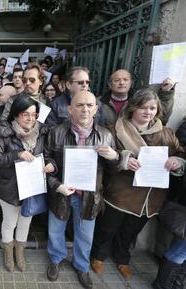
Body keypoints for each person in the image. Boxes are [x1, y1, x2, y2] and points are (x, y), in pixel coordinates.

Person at [90, 89, 185, 279]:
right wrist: (124, 158)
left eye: (152, 108)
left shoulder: (166, 134)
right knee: (108, 227)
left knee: (130, 231)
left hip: (150, 198)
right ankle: (98, 256)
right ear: (133, 108)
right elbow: (108, 154)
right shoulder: (116, 129)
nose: (147, 112)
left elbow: (180, 152)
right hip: (121, 193)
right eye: (143, 107)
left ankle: (122, 258)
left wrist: (177, 161)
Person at [45, 90, 119, 289]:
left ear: (95, 109)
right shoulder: (56, 132)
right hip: (62, 192)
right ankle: (56, 259)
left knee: (85, 234)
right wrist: (56, 184)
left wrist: (114, 157)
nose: (84, 109)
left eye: (89, 105)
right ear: (70, 109)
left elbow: (113, 170)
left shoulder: (105, 135)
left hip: (89, 196)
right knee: (56, 230)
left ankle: (81, 265)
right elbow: (46, 160)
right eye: (79, 105)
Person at [0, 95, 52, 272]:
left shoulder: (42, 132)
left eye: (34, 114)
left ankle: (20, 251)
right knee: (10, 222)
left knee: (26, 222)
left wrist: (50, 165)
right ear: (16, 115)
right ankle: (8, 252)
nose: (30, 118)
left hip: (32, 187)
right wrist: (16, 155)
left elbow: (48, 156)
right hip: (9, 187)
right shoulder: (4, 132)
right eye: (26, 114)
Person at [98, 69, 175, 128]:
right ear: (110, 84)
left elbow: (162, 118)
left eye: (125, 80)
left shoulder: (140, 101)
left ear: (131, 83)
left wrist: (166, 93)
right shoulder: (98, 102)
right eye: (117, 80)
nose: (121, 83)